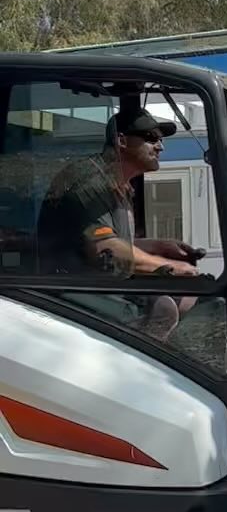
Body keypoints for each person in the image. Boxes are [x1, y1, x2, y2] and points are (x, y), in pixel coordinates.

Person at [38, 103, 200, 343]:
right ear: (121, 141)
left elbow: (109, 240)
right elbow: (107, 251)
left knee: (189, 295)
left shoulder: (119, 185)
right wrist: (170, 266)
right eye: (150, 138)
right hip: (68, 289)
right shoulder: (89, 183)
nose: (160, 146)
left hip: (97, 281)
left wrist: (158, 246)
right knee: (162, 308)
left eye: (160, 139)